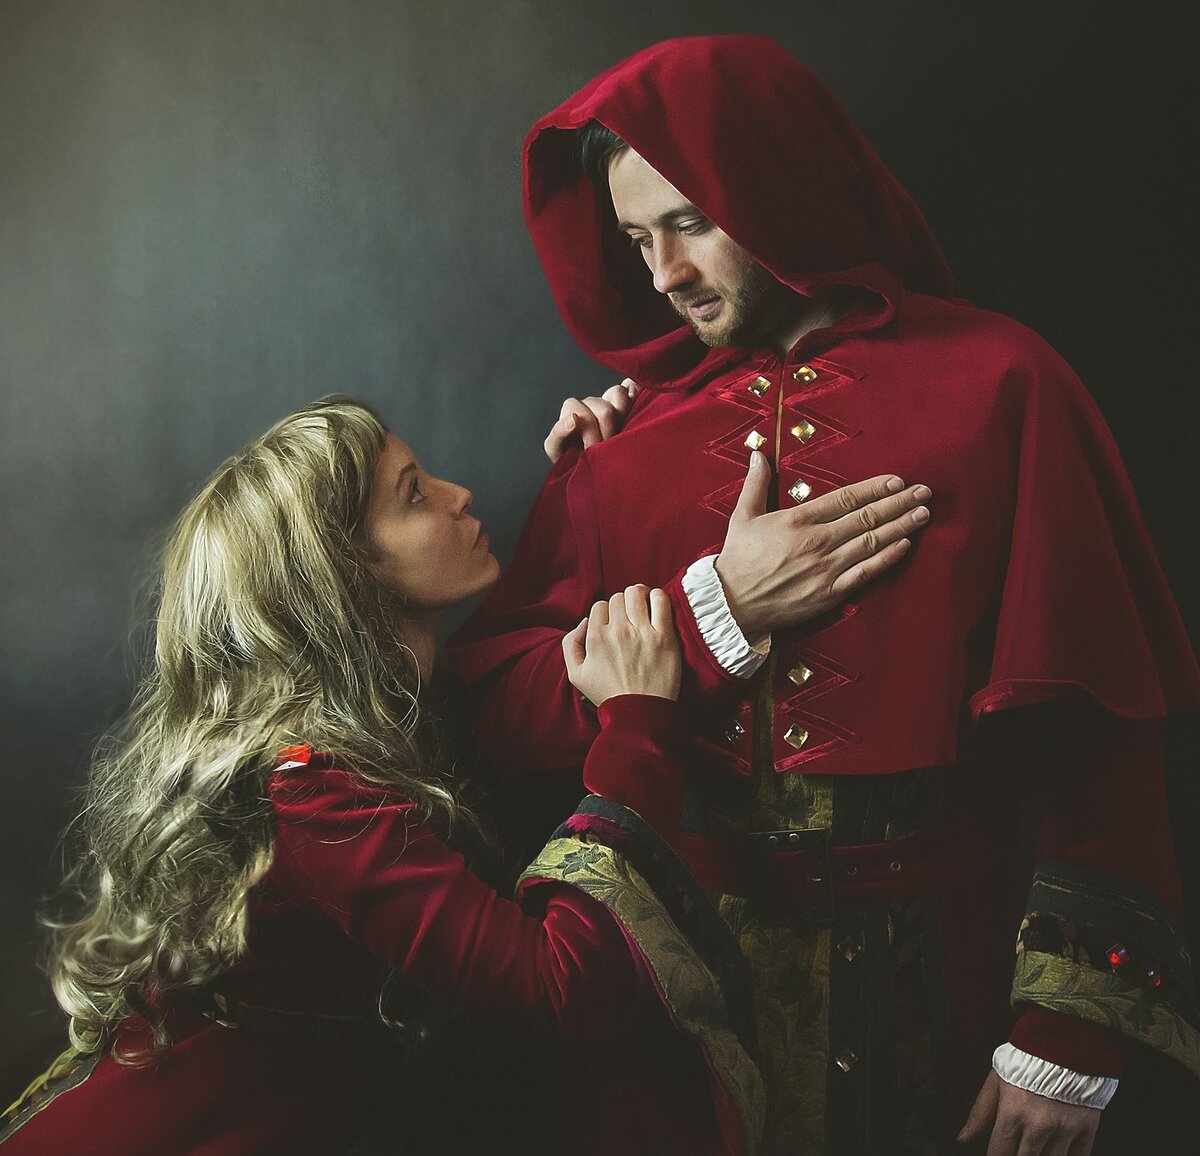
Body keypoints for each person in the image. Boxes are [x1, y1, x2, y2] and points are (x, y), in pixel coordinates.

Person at [446, 34, 1200, 1156]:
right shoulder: (617, 449)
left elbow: (1097, 733)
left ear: (779, 183)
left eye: (690, 223)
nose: (664, 274)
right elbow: (500, 718)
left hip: (954, 987)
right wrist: (715, 608)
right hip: (681, 1009)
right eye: (638, 239)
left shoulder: (1004, 382)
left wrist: (1067, 1032)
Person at [0, 397, 763, 1156]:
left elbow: (511, 711)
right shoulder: (309, 791)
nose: (459, 494)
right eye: (414, 495)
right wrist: (638, 723)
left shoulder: (402, 716)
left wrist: (583, 479)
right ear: (342, 572)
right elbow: (564, 983)